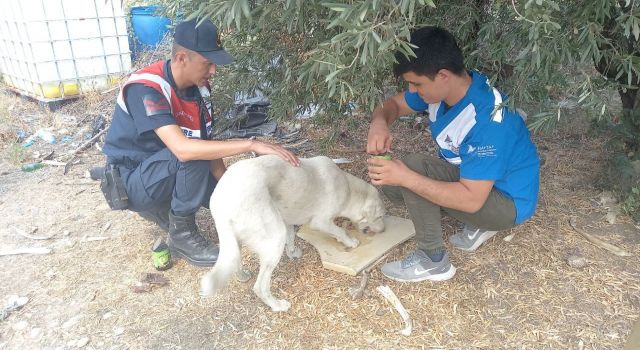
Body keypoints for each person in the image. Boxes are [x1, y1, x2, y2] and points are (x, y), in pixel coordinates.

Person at [101, 18, 299, 267]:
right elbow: (185, 150)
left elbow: (207, 144)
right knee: (190, 155)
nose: (213, 71)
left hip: (166, 170)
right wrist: (251, 144)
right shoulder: (146, 88)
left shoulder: (200, 91)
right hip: (133, 182)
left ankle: (170, 210)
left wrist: (232, 189)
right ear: (182, 58)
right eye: (208, 63)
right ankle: (182, 235)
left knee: (226, 197)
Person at [366, 26, 539, 282]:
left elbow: (471, 201)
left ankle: (433, 261)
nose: (412, 91)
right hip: (479, 183)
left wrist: (407, 178)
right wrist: (378, 123)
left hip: (508, 203)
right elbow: (391, 105)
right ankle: (479, 223)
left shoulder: (487, 120)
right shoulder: (448, 89)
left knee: (410, 174)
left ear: (443, 75)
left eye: (416, 83)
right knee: (393, 187)